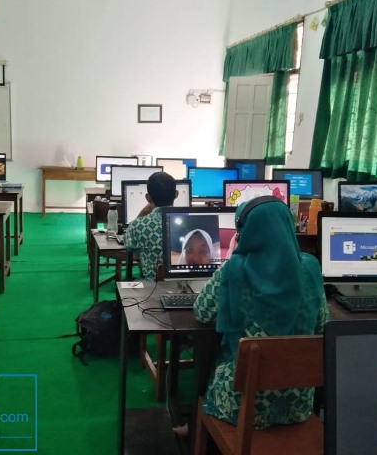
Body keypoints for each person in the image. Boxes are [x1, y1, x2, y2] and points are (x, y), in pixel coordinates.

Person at [174, 196, 328, 435]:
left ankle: (196, 428)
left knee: (211, 355)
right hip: (298, 405)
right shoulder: (310, 268)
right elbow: (321, 327)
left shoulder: (234, 269)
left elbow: (202, 312)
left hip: (240, 404)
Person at [124, 171, 177, 280]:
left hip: (152, 288)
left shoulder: (137, 225)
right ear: (176, 194)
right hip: (189, 286)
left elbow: (131, 251)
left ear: (148, 198)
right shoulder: (191, 220)